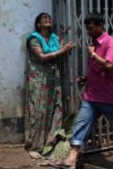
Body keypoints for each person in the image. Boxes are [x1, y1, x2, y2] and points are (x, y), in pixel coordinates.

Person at [56, 12, 113, 168]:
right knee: (81, 123)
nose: (88, 31)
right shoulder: (95, 43)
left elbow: (109, 66)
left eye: (91, 28)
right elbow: (98, 68)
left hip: (109, 95)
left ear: (100, 26)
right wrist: (86, 78)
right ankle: (72, 157)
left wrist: (93, 54)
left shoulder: (111, 42)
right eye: (87, 28)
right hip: (92, 95)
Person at [25, 13, 75, 158]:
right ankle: (34, 146)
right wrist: (63, 50)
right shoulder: (34, 39)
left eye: (49, 19)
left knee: (54, 109)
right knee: (39, 112)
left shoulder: (54, 38)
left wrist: (64, 41)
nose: (48, 20)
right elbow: (42, 56)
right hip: (39, 80)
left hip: (53, 78)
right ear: (39, 24)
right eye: (44, 19)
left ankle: (49, 142)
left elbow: (59, 49)